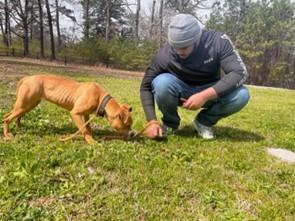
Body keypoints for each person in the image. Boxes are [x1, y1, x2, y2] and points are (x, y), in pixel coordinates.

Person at [140, 13, 250, 140]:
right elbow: (145, 87)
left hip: (210, 91)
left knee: (242, 95)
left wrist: (204, 96)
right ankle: (170, 123)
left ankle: (204, 122)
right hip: (180, 92)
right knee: (161, 83)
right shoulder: (164, 55)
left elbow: (239, 72)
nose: (179, 51)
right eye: (175, 47)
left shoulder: (218, 41)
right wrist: (151, 121)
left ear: (197, 39)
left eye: (184, 47)